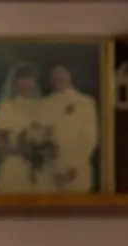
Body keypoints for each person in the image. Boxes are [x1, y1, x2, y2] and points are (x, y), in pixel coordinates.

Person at [0, 62, 50, 193]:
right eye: (22, 79)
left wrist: (40, 151)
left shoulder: (44, 106)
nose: (26, 83)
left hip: (41, 166)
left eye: (29, 78)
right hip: (15, 164)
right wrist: (19, 150)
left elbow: (50, 134)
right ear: (15, 83)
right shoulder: (8, 107)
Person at [39, 63, 98, 193]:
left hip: (76, 171)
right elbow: (41, 136)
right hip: (50, 172)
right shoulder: (44, 104)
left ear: (70, 74)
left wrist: (73, 170)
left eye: (63, 72)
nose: (59, 77)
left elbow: (89, 139)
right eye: (55, 73)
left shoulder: (85, 102)